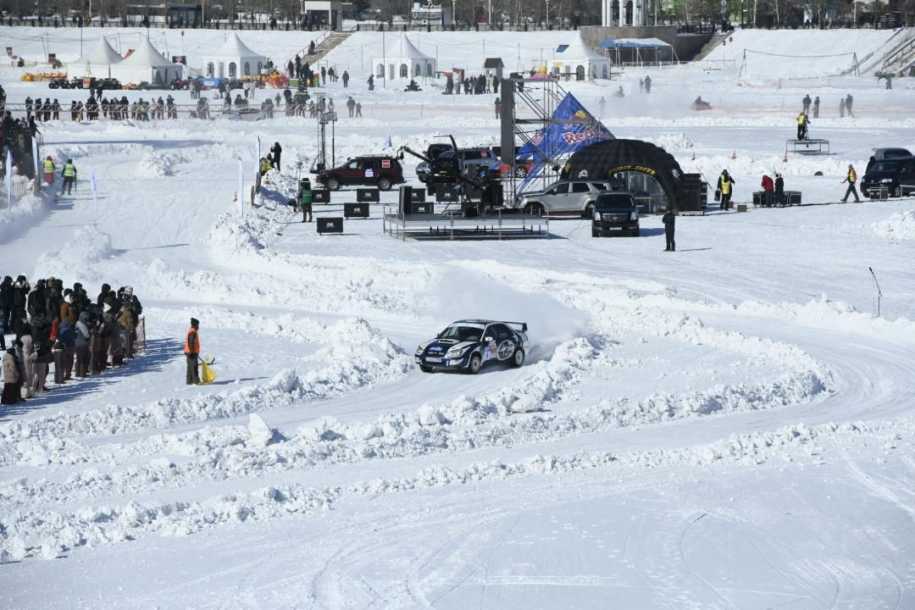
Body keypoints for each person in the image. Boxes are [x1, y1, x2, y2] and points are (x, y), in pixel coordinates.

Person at [184, 318, 200, 385]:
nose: (198, 326)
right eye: (198, 325)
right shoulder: (193, 332)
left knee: (190, 368)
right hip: (192, 353)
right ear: (195, 325)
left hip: (189, 353)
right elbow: (191, 343)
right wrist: (192, 352)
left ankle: (189, 381)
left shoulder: (191, 331)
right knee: (194, 367)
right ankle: (196, 382)